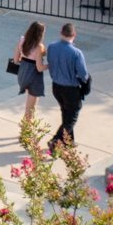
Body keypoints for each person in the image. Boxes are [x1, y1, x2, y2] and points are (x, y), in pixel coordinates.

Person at [46, 22, 91, 151]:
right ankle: (56, 140)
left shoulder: (52, 47)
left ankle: (68, 142)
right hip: (70, 88)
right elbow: (83, 74)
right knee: (72, 117)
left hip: (56, 87)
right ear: (74, 35)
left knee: (66, 112)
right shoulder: (76, 53)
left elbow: (50, 62)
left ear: (61, 33)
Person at [11, 20, 48, 133]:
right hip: (33, 77)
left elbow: (16, 60)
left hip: (22, 74)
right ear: (40, 34)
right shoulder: (38, 47)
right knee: (30, 108)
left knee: (30, 104)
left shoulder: (22, 41)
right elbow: (39, 68)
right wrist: (50, 65)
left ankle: (29, 126)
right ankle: (26, 131)